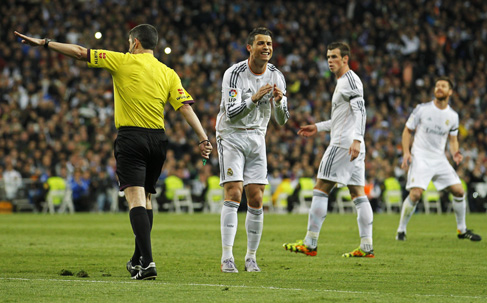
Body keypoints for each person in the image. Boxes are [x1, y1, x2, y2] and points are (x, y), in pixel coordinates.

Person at [15, 24, 213, 279]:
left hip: (131, 138)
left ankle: (149, 264)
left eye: (130, 41)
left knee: (134, 199)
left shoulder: (122, 60)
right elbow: (185, 107)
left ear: (136, 43)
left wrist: (44, 43)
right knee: (147, 200)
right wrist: (203, 138)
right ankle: (137, 259)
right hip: (158, 140)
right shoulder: (168, 73)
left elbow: (79, 52)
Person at [283, 42, 374, 258]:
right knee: (357, 192)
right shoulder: (343, 82)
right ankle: (367, 245)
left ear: (345, 59)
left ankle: (310, 242)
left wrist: (357, 139)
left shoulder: (350, 81)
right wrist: (319, 127)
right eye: (328, 57)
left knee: (321, 187)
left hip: (344, 144)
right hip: (352, 144)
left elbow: (361, 112)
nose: (330, 61)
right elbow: (342, 118)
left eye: (334, 57)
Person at [216, 27, 289, 273]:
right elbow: (233, 114)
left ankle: (251, 257)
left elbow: (283, 120)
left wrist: (279, 103)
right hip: (231, 136)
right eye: (261, 43)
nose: (266, 47)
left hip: (258, 137)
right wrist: (255, 98)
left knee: (256, 197)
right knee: (234, 193)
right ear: (250, 47)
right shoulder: (234, 74)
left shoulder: (277, 76)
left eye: (269, 43)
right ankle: (227, 256)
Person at [395, 77, 481, 242]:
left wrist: (455, 153)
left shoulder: (453, 116)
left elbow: (453, 140)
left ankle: (462, 230)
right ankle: (401, 230)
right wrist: (406, 152)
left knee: (459, 191)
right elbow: (407, 131)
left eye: (443, 86)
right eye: (437, 86)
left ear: (450, 92)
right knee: (415, 194)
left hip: (439, 158)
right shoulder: (422, 109)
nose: (439, 88)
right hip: (420, 156)